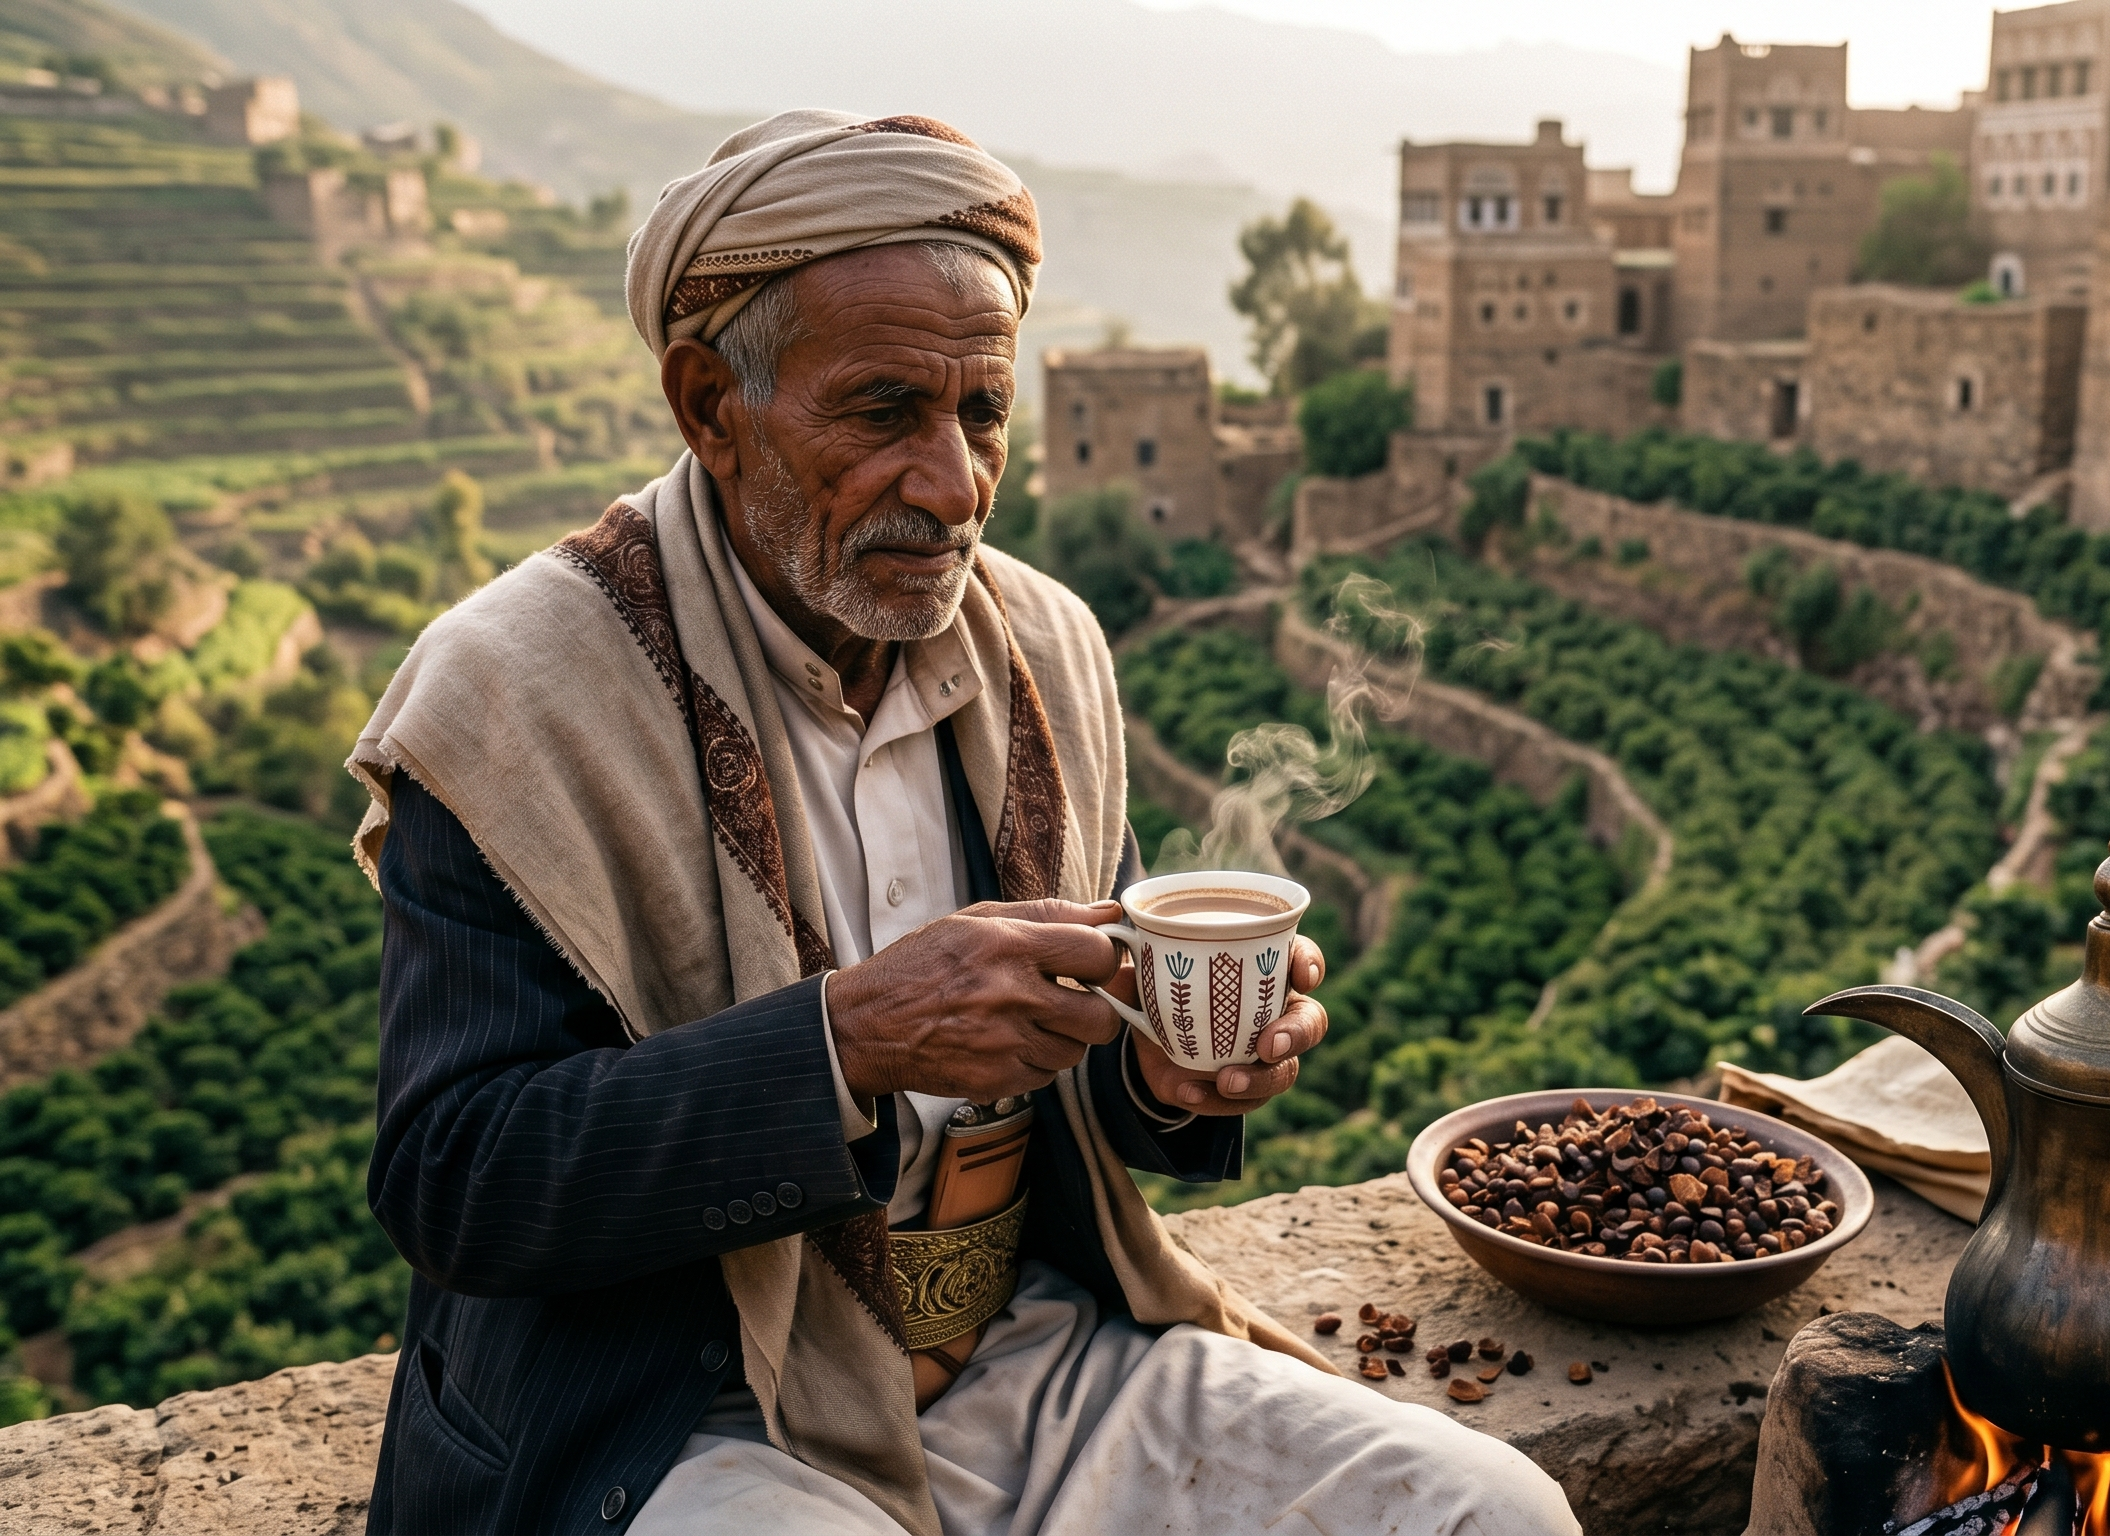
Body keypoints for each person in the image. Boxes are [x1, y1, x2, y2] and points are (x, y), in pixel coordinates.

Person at [349, 109, 1581, 1535]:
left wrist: (1172, 1079)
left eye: (982, 413)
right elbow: (457, 1177)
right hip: (687, 1413)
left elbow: (1082, 1072)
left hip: (1025, 1350)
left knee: (1492, 1514)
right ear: (708, 404)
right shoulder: (516, 696)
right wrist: (844, 1042)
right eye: (883, 413)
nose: (954, 486)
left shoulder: (1043, 648)